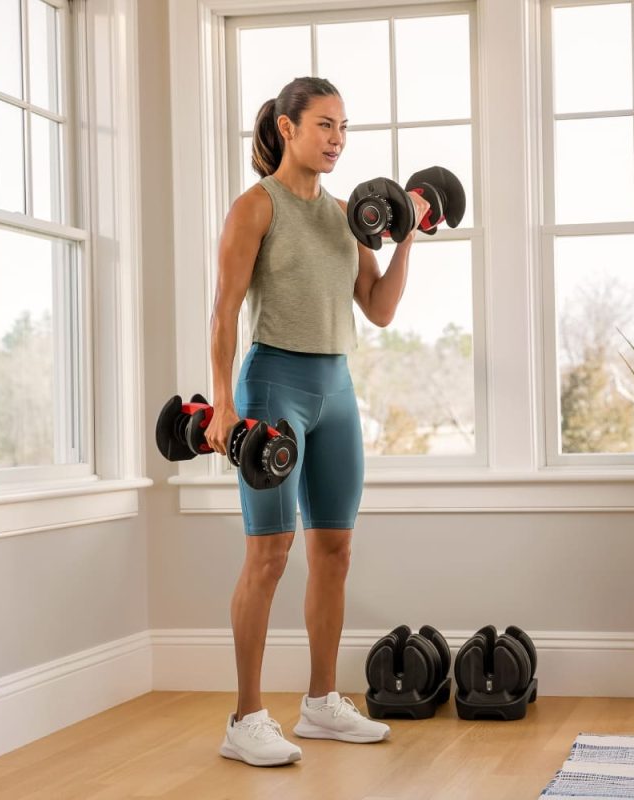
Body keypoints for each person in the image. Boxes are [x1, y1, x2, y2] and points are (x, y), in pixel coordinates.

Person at [206, 76, 430, 767]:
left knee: (334, 551)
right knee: (268, 555)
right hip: (274, 385)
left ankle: (322, 704)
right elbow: (224, 309)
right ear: (285, 127)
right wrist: (221, 400)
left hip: (336, 389)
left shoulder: (345, 215)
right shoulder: (255, 207)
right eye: (324, 125)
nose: (335, 140)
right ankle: (245, 717)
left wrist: (407, 238)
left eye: (343, 128)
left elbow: (381, 308)